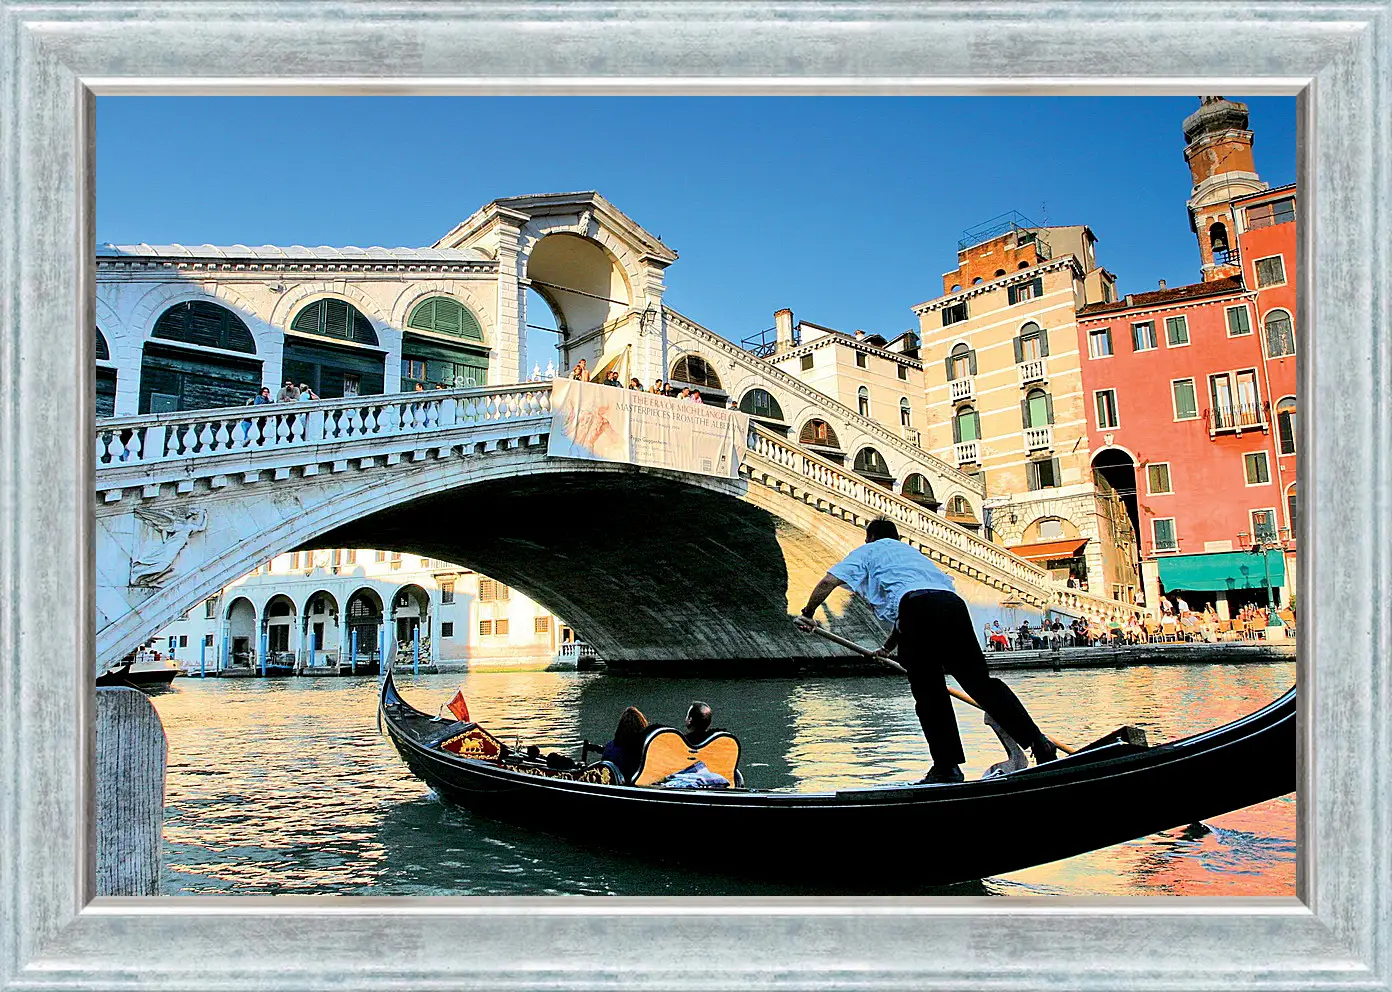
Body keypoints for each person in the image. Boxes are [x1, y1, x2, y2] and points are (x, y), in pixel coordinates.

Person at [795, 517, 1057, 784]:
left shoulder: (869, 550)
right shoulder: (914, 556)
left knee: (930, 692)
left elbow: (829, 581)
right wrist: (887, 649)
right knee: (982, 685)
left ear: (871, 537)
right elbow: (910, 604)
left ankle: (947, 767)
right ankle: (1038, 741)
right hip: (953, 606)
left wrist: (808, 613)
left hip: (917, 611)